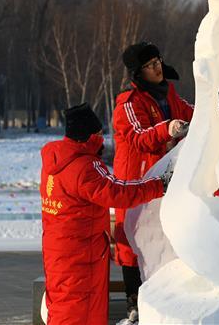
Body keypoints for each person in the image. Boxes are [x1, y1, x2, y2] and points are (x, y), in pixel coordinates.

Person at [40, 103, 170, 325]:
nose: (102, 139)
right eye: (99, 133)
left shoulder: (54, 162)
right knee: (81, 311)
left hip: (58, 252)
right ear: (89, 135)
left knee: (64, 306)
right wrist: (158, 185)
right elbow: (118, 192)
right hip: (82, 256)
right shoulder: (85, 166)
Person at [113, 42, 193, 324]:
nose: (157, 68)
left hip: (163, 180)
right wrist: (167, 129)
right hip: (135, 181)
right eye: (150, 65)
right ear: (139, 72)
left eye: (158, 61)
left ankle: (163, 297)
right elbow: (139, 137)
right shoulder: (129, 103)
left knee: (163, 235)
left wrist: (217, 109)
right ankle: (133, 302)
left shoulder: (168, 93)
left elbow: (191, 113)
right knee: (131, 240)